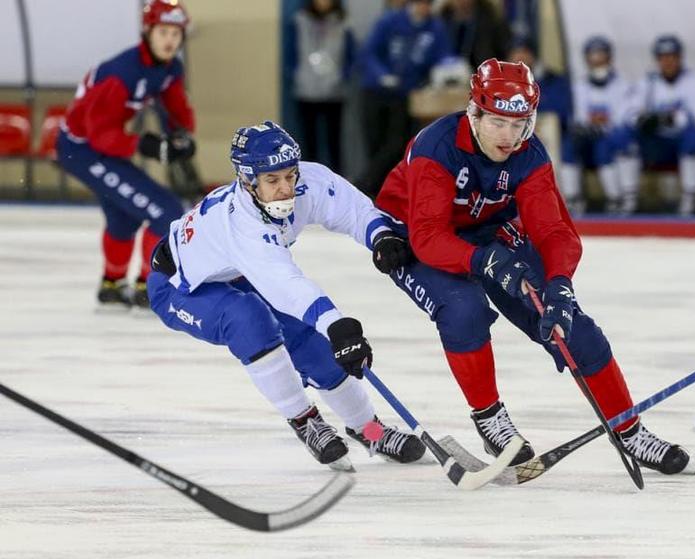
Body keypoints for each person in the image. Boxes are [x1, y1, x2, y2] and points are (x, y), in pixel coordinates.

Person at [374, 59, 691, 474]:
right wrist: (484, 261)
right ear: (475, 114)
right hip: (411, 238)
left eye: (520, 123)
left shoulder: (530, 154)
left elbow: (555, 232)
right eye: (499, 123)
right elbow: (430, 236)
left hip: (487, 231)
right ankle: (490, 418)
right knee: (464, 309)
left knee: (572, 325)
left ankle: (628, 429)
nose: (511, 136)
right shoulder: (437, 148)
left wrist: (560, 284)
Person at [146, 121, 425, 469]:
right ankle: (304, 420)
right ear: (248, 182)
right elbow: (285, 285)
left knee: (314, 346)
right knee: (249, 319)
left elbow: (354, 210)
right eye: (272, 181)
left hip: (237, 273)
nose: (286, 189)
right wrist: (338, 325)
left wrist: (381, 237)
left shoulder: (309, 181)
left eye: (290, 175)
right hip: (180, 287)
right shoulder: (241, 226)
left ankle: (369, 430)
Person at [57, 0, 196, 310]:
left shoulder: (169, 67)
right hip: (82, 149)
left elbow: (174, 106)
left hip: (97, 146)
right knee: (166, 212)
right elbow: (100, 135)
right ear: (148, 32)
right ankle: (148, 286)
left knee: (124, 218)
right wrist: (145, 145)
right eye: (163, 32)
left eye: (176, 33)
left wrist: (182, 135)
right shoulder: (121, 74)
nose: (170, 41)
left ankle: (111, 284)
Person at [357, 0, 453, 196]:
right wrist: (381, 74)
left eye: (427, 4)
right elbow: (369, 52)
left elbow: (443, 56)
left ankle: (366, 186)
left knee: (395, 145)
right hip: (376, 92)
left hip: (404, 96)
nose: (423, 8)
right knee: (375, 143)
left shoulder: (435, 28)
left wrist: (447, 71)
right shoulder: (390, 21)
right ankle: (371, 192)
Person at [625, 34, 695, 215]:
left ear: (680, 57)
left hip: (680, 140)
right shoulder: (648, 81)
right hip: (657, 143)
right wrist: (642, 120)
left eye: (672, 56)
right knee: (622, 136)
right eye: (663, 57)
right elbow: (629, 112)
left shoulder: (692, 79)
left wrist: (672, 118)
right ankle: (628, 198)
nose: (668, 62)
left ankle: (690, 198)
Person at [562, 36, 635, 214]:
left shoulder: (622, 85)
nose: (597, 61)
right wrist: (588, 126)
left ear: (609, 58)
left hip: (611, 138)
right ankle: (573, 199)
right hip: (589, 137)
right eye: (593, 56)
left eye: (601, 56)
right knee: (569, 145)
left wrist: (600, 125)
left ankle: (618, 198)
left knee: (610, 144)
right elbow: (579, 118)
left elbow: (622, 118)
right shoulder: (579, 86)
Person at [507, 36, 574, 209]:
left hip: (549, 131)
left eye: (524, 52)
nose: (519, 57)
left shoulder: (551, 79)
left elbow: (561, 109)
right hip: (514, 134)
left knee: (557, 148)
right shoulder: (504, 81)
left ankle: (560, 202)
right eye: (516, 52)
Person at [290, 0, 356, 173]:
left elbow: (351, 53)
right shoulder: (300, 20)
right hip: (306, 89)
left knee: (334, 140)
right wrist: (296, 74)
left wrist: (343, 76)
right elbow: (290, 52)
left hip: (334, 90)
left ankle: (337, 178)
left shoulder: (343, 21)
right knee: (309, 140)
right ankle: (308, 178)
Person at [440, 0, 511, 68]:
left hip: (483, 72)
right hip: (449, 72)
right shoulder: (443, 17)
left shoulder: (491, 17)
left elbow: (505, 48)